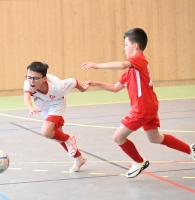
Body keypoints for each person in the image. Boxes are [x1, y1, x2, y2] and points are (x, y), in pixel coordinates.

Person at [81, 28, 195, 178]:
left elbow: (121, 64)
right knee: (155, 138)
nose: (124, 48)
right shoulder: (131, 70)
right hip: (149, 106)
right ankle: (190, 149)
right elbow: (116, 88)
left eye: (126, 45)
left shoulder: (139, 59)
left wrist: (97, 65)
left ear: (135, 46)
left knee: (118, 137)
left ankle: (139, 161)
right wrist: (96, 83)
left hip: (142, 109)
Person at [23, 61, 88, 172]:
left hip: (57, 104)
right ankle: (79, 158)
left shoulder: (57, 86)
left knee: (46, 132)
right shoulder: (28, 83)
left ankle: (69, 138)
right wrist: (30, 108)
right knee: (58, 137)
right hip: (44, 107)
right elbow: (26, 96)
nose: (31, 81)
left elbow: (74, 82)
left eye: (35, 78)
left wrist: (83, 89)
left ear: (44, 78)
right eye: (29, 77)